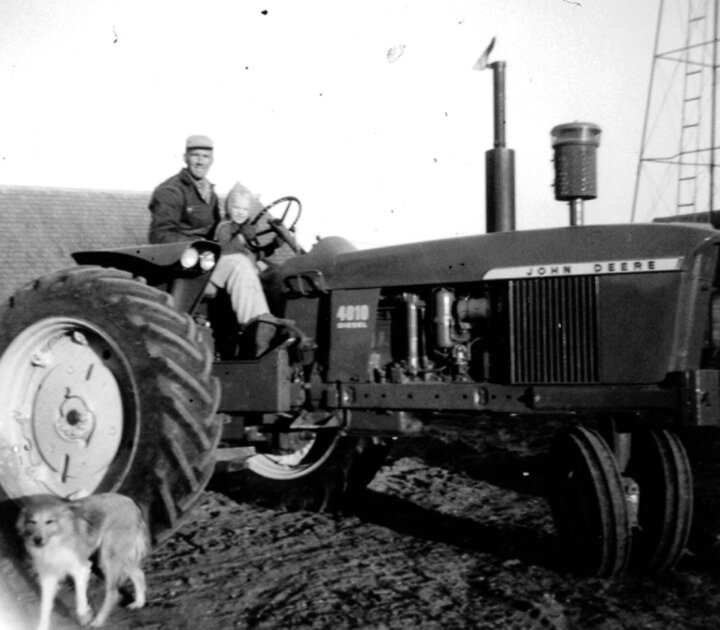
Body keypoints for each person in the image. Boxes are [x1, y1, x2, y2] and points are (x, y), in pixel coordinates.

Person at [147, 135, 271, 325]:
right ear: (185, 158)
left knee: (272, 271)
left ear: (211, 160)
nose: (199, 161)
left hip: (208, 262)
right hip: (185, 270)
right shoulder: (170, 191)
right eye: (195, 155)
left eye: (205, 156)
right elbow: (160, 236)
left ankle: (270, 323)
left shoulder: (208, 192)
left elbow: (218, 231)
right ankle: (258, 329)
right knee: (239, 265)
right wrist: (202, 247)